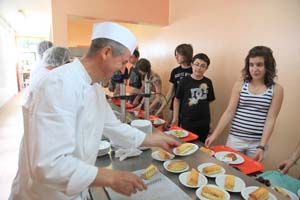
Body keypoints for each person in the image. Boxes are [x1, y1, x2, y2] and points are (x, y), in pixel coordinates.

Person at [9, 22, 180, 200]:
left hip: (75, 192)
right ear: (106, 53)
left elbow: (114, 126)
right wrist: (111, 177)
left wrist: (153, 139)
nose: (123, 69)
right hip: (42, 195)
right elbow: (48, 165)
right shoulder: (57, 84)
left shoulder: (95, 88)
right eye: (122, 62)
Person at [205, 46, 284, 162]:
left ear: (268, 66)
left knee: (250, 176)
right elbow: (229, 112)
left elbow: (271, 119)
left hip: (257, 143)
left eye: (259, 64)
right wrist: (215, 135)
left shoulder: (277, 89)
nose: (254, 69)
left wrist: (262, 146)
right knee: (228, 171)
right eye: (251, 65)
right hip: (235, 139)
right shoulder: (240, 85)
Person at [172, 53, 215, 143]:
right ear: (192, 64)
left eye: (203, 66)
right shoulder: (184, 81)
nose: (199, 68)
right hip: (188, 121)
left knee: (202, 146)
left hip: (204, 122)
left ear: (206, 68)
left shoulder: (208, 82)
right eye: (197, 64)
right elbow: (177, 100)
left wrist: (211, 121)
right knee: (187, 145)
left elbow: (210, 102)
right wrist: (175, 118)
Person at [155, 44, 193, 124]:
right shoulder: (175, 71)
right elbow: (170, 93)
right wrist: (160, 109)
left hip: (188, 108)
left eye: (178, 55)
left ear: (186, 54)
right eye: (175, 55)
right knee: (170, 128)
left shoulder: (194, 71)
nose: (176, 57)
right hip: (174, 106)